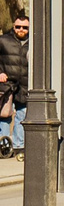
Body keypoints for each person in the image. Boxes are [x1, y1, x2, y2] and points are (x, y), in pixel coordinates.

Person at [0, 11, 24, 155]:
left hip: (25, 85)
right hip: (7, 84)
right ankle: (4, 146)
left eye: (25, 27)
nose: (21, 30)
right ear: (14, 27)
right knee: (5, 115)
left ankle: (17, 146)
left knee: (22, 115)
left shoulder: (34, 43)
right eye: (18, 27)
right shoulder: (3, 40)